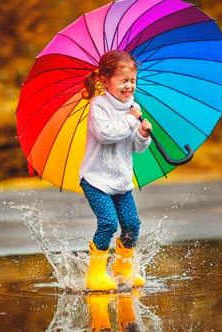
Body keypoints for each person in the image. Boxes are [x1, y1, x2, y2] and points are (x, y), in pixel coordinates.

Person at [80, 50, 152, 291]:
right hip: (96, 179)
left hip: (121, 180)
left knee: (132, 224)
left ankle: (123, 270)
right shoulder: (98, 106)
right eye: (123, 80)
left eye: (132, 80)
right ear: (104, 80)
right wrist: (132, 120)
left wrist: (142, 135)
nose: (129, 85)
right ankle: (96, 274)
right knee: (109, 223)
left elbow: (135, 146)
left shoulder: (134, 107)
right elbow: (107, 134)